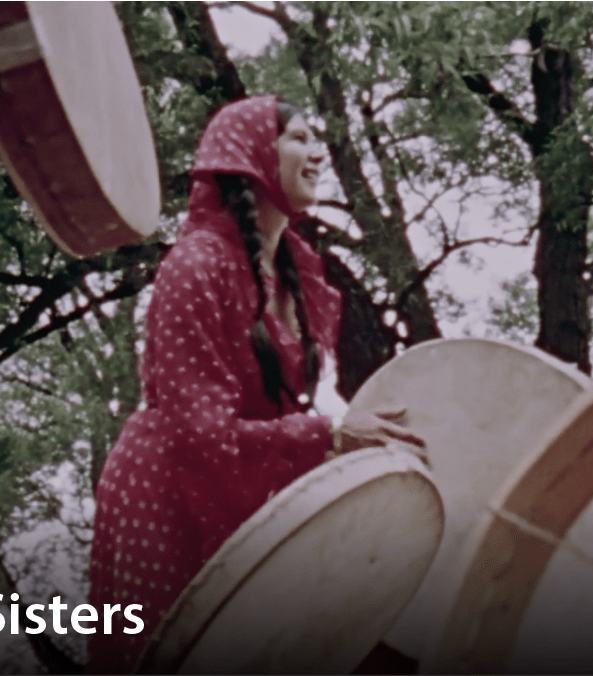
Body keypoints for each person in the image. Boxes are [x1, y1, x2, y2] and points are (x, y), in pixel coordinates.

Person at [85, 95, 426, 673]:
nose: (319, 152)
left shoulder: (301, 273)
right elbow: (200, 435)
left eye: (318, 138)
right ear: (249, 155)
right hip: (170, 499)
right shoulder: (196, 265)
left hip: (245, 489)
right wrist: (333, 438)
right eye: (299, 137)